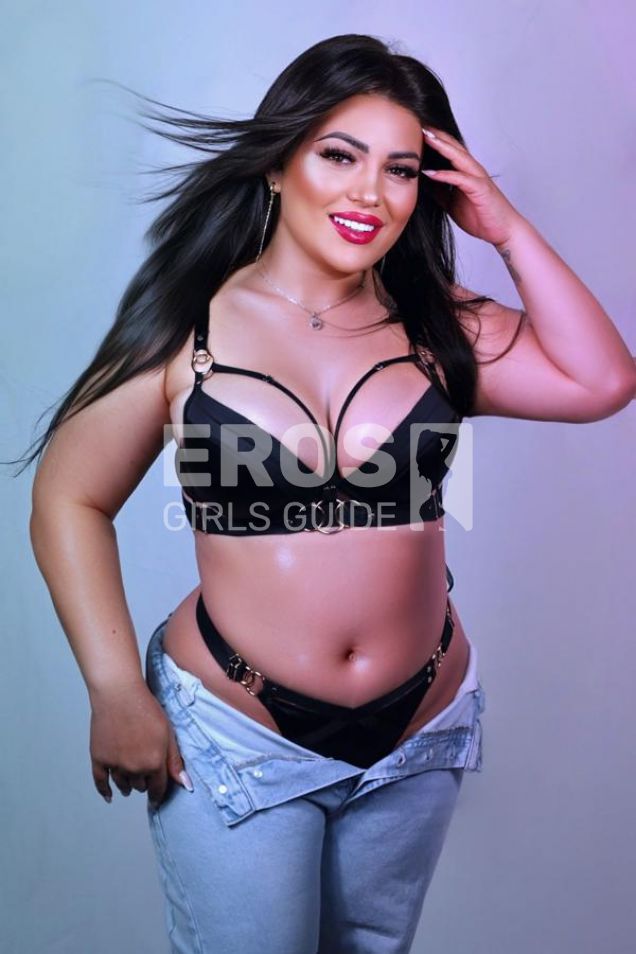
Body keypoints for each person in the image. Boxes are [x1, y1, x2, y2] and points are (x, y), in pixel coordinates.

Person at [21, 33, 635, 954]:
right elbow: (69, 499)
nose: (369, 194)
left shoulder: (440, 327)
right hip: (238, 731)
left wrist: (505, 228)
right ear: (277, 164)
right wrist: (113, 687)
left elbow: (603, 381)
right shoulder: (185, 326)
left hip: (418, 734)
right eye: (339, 156)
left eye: (400, 170)